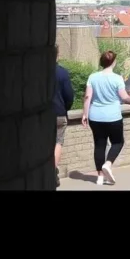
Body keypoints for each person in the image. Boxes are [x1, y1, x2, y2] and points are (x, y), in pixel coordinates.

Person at [82, 50, 130, 185]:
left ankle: (100, 176)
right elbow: (124, 97)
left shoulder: (92, 77)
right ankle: (108, 163)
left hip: (95, 116)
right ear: (113, 62)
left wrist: (85, 114)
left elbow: (88, 97)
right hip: (113, 117)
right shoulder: (117, 78)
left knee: (99, 145)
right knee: (118, 142)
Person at [53, 46, 75, 187]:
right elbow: (69, 96)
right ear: (57, 55)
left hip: (41, 115)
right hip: (59, 113)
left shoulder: (35, 71)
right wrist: (65, 108)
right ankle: (52, 170)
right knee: (58, 142)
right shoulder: (62, 73)